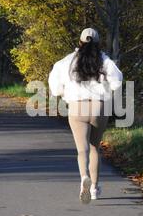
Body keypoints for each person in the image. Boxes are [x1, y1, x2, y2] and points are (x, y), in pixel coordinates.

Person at [48, 28, 123, 204]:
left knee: (82, 150)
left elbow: (56, 88)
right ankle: (95, 189)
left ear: (80, 42)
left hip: (76, 107)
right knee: (95, 147)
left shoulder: (67, 62)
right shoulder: (105, 61)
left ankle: (84, 177)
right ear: (98, 43)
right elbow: (117, 82)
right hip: (99, 107)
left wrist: (65, 91)